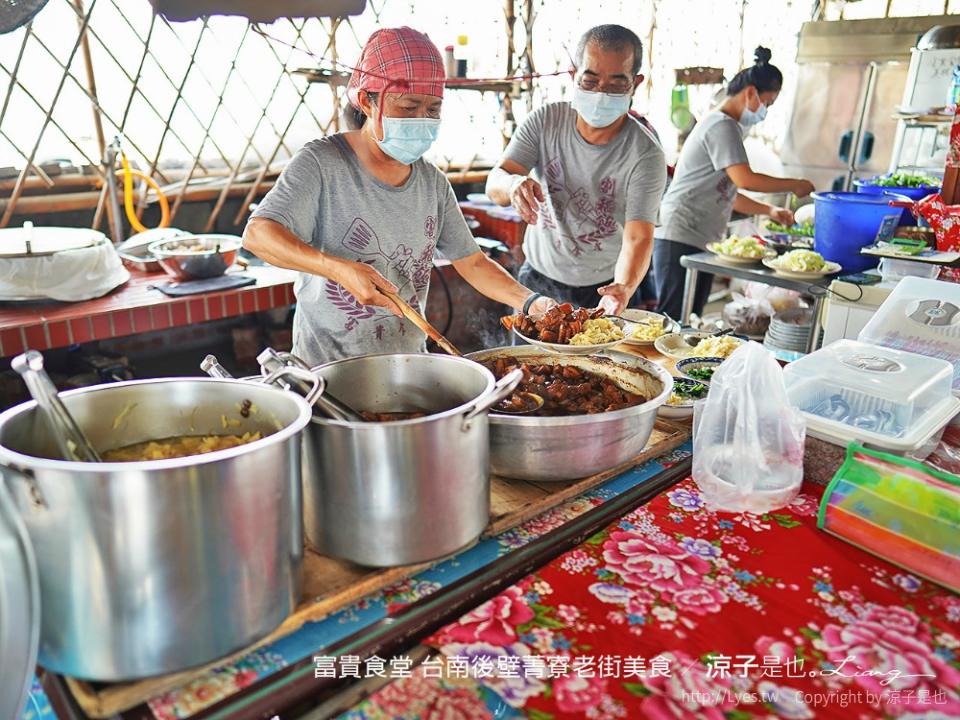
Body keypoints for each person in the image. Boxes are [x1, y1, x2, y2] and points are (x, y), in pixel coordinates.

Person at [243, 27, 555, 366]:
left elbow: (474, 263)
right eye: (408, 107)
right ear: (367, 101)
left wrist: (532, 302)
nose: (422, 120)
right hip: (328, 372)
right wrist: (340, 270)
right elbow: (259, 235)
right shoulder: (322, 163)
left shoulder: (432, 182)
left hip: (407, 366)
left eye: (433, 109)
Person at [486, 24, 667, 315]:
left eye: (616, 84)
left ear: (636, 83)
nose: (601, 93)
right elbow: (496, 180)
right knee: (524, 361)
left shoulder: (646, 153)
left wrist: (624, 287)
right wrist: (513, 184)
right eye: (591, 80)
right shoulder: (546, 120)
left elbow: (638, 236)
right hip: (538, 277)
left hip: (603, 287)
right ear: (574, 75)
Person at [654, 46, 815, 320]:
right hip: (679, 235)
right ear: (750, 93)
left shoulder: (727, 127)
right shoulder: (721, 125)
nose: (765, 111)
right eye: (768, 103)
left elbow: (728, 192)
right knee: (671, 319)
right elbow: (745, 179)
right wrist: (794, 184)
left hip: (698, 237)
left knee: (688, 316)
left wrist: (770, 211)